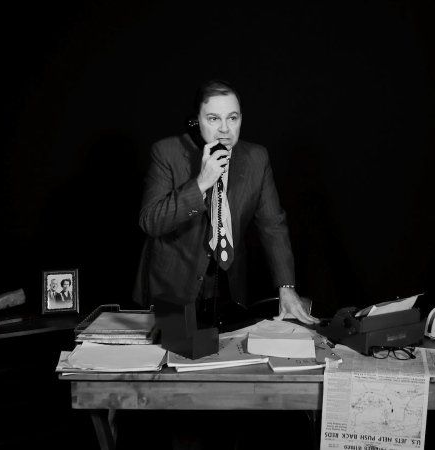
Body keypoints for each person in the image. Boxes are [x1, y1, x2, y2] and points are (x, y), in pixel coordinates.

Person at [132, 79, 318, 329]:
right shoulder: (166, 152)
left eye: (232, 118)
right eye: (213, 119)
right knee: (178, 361)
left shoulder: (256, 158)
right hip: (171, 290)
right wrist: (200, 183)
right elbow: (151, 221)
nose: (224, 129)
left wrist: (286, 287)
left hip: (227, 290)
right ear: (196, 121)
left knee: (227, 361)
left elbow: (273, 226)